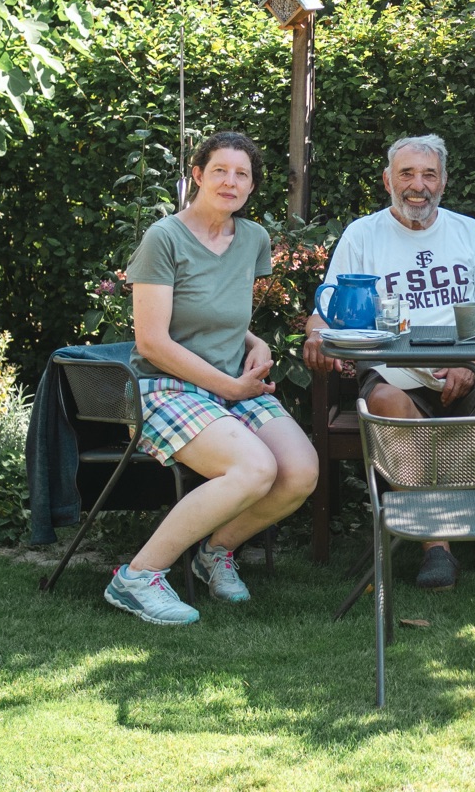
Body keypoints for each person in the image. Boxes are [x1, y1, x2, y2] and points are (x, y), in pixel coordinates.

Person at [104, 131, 320, 625]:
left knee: (300, 472)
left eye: (242, 174)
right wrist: (229, 388)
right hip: (164, 386)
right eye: (219, 170)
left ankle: (214, 553)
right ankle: (137, 577)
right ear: (197, 175)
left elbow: (216, 310)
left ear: (251, 188)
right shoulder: (165, 237)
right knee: (254, 468)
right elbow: (154, 340)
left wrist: (255, 341)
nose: (230, 181)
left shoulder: (253, 239)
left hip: (228, 386)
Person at [301, 133, 475, 590]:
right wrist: (314, 335)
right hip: (394, 374)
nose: (417, 185)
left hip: (469, 369)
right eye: (406, 173)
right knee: (385, 400)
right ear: (388, 180)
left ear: (443, 182)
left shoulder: (468, 232)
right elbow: (324, 315)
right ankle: (434, 543)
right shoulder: (363, 234)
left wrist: (470, 364)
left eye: (428, 174)